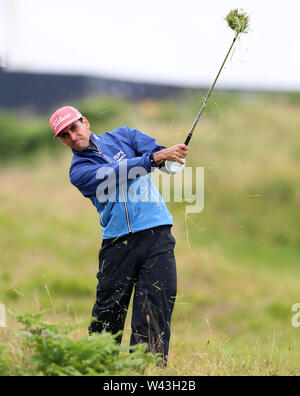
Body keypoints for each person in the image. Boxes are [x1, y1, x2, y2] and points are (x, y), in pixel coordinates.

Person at [49, 105, 189, 366]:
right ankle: (98, 370)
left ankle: (146, 372)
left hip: (157, 234)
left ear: (86, 122)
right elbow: (115, 174)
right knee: (106, 318)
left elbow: (161, 157)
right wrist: (152, 160)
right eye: (65, 135)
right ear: (62, 141)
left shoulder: (125, 135)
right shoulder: (78, 172)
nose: (73, 136)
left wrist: (172, 159)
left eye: (74, 127)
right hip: (118, 243)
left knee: (153, 312)